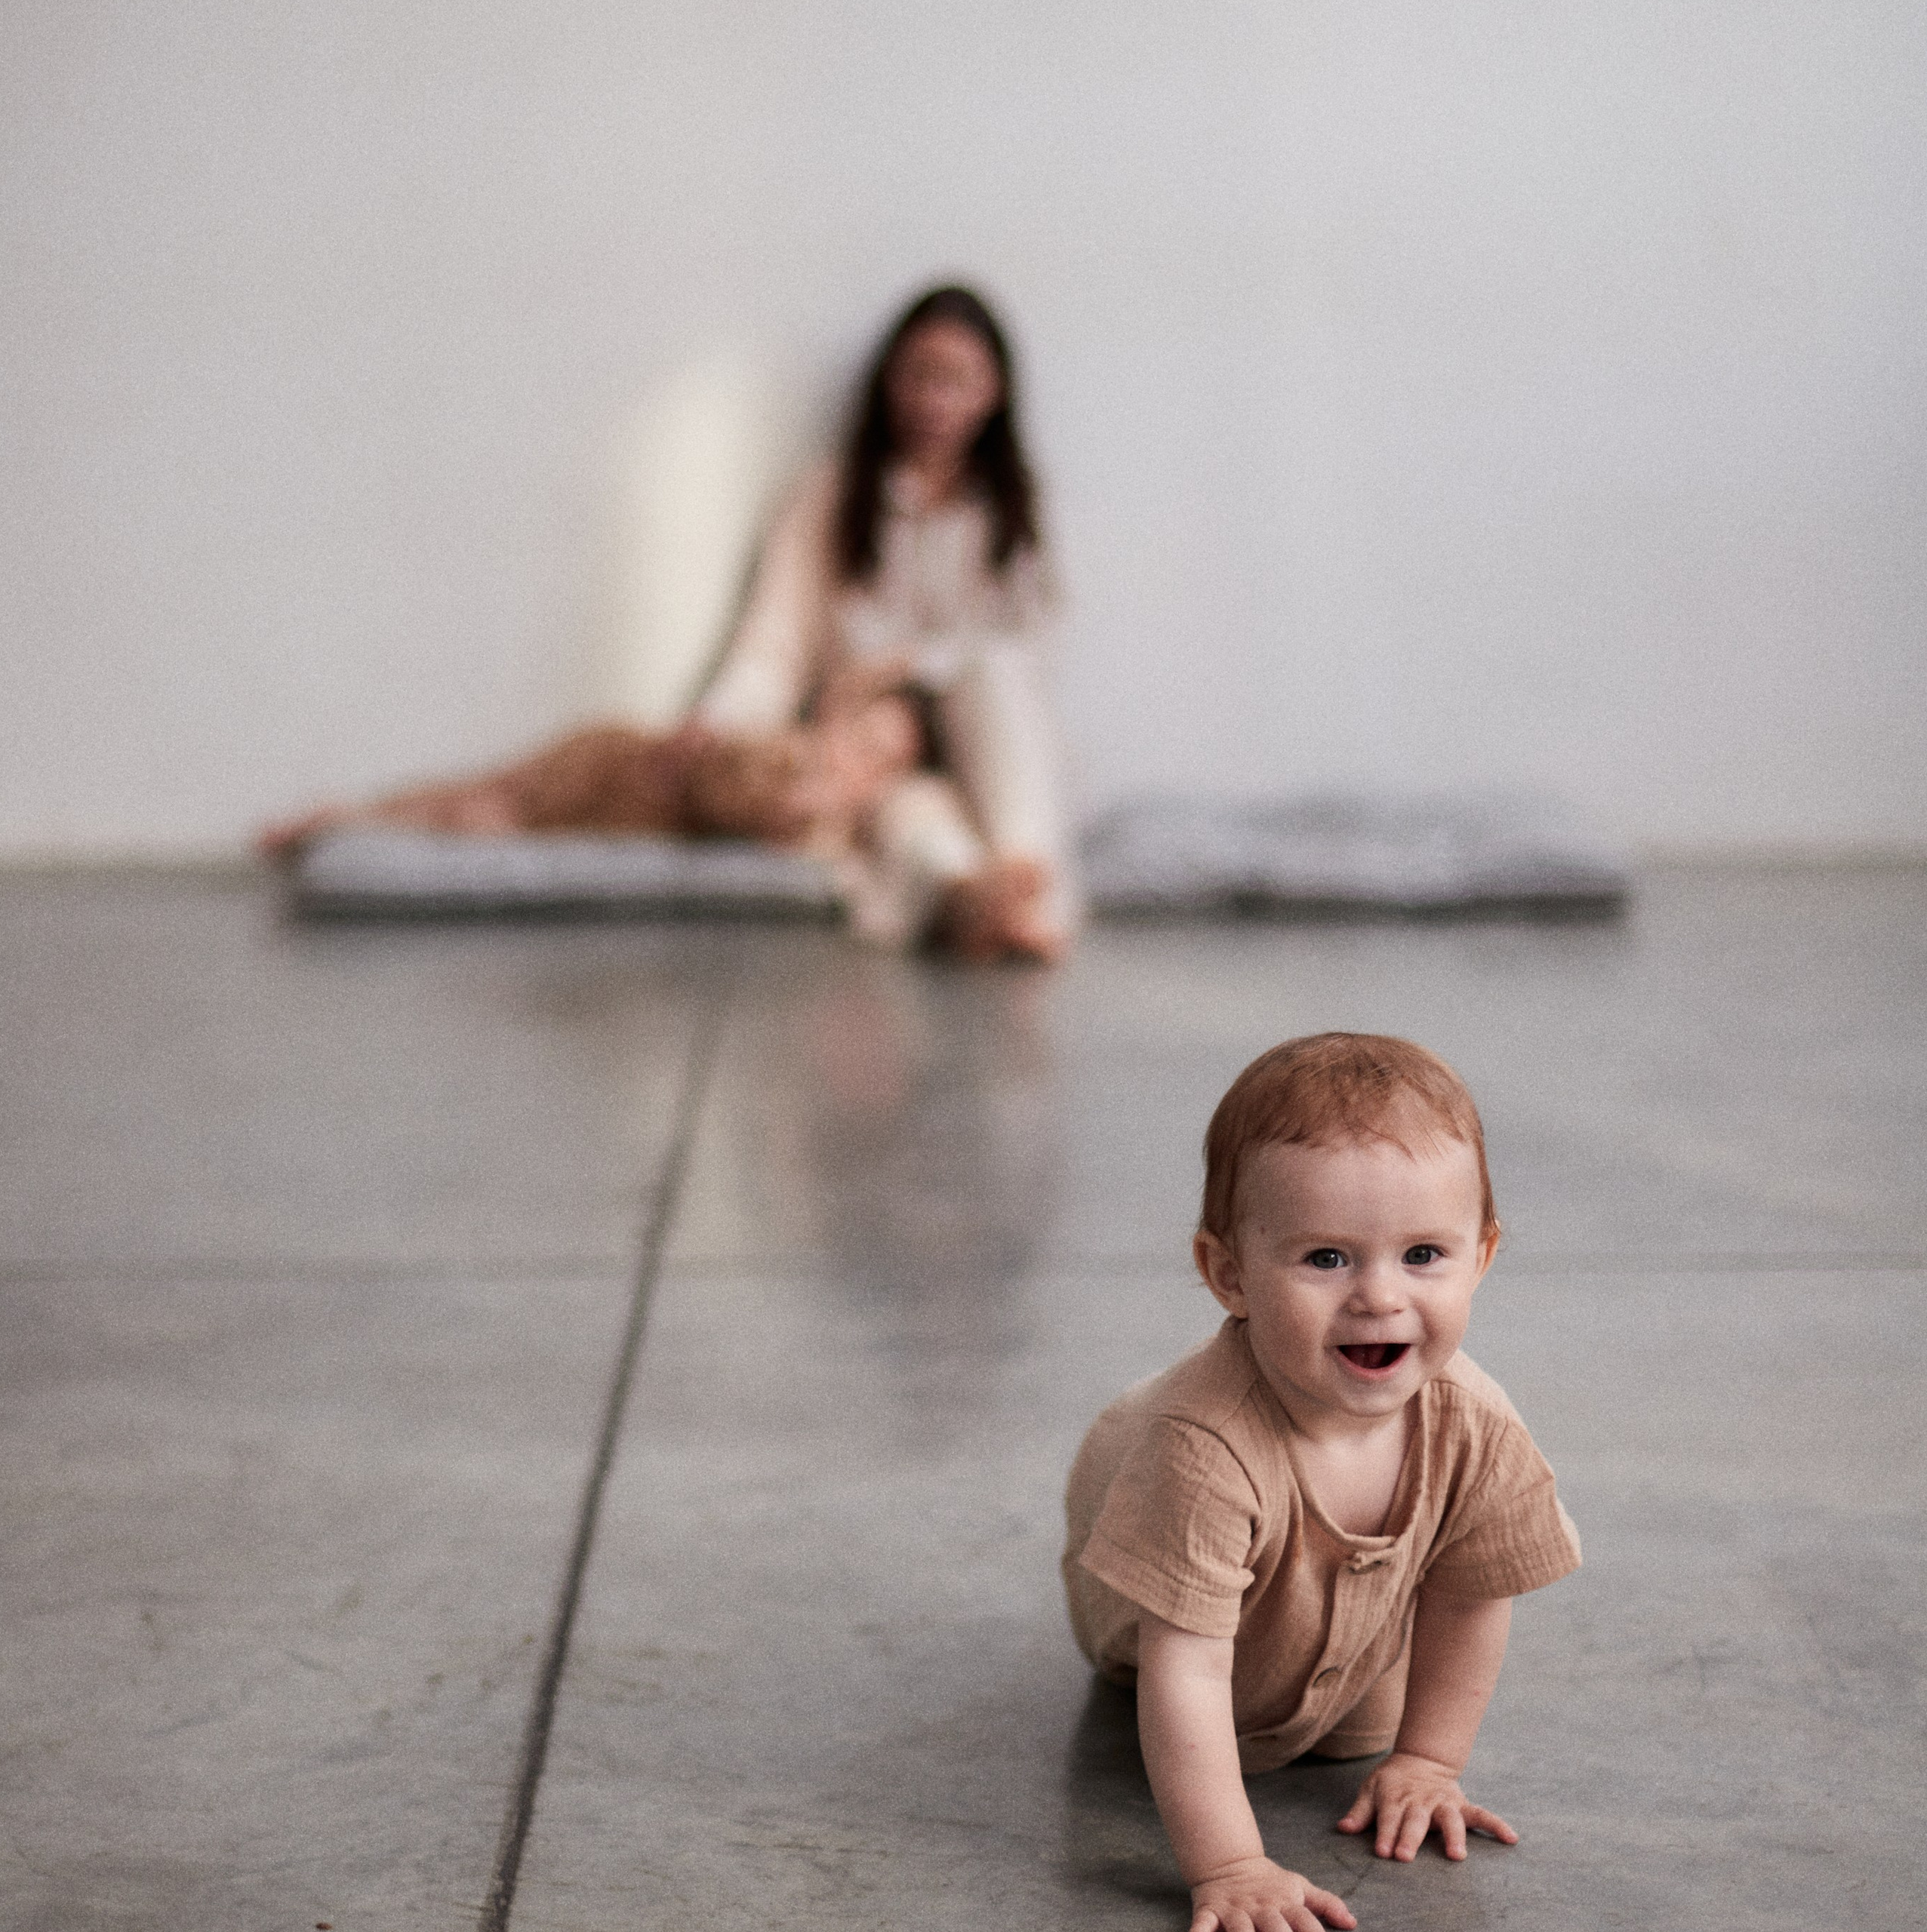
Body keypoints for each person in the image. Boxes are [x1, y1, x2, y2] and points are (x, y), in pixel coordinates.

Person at [260, 284, 1076, 964]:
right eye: (919, 376)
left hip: (976, 750)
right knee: (915, 826)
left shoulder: (1013, 513)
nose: (935, 400)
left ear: (994, 392)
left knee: (993, 678)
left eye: (958, 380)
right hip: (860, 759)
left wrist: (903, 689)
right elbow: (774, 645)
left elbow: (1026, 662)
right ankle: (982, 900)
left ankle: (1021, 874)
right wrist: (721, 722)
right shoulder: (832, 496)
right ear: (887, 382)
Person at [1061, 1034, 1581, 1932]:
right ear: (1229, 1275)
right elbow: (1185, 1665)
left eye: (1423, 1254)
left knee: (1362, 1731)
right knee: (1185, 1670)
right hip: (1160, 1607)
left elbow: (1469, 1597)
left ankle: (1338, 1686)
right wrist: (1230, 1864)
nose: (1379, 1296)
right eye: (1327, 1258)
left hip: (1349, 1638)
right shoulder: (1202, 1448)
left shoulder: (1475, 1424)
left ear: (1482, 1256)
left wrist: (1427, 1760)